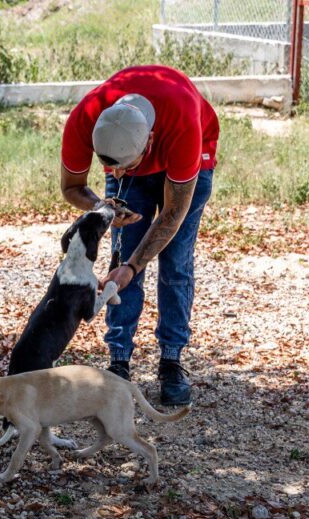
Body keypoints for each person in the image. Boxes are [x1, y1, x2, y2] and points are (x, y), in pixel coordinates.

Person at [59, 64, 219, 406]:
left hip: (188, 162)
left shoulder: (181, 123)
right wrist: (104, 208)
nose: (116, 174)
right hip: (138, 145)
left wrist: (132, 267)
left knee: (175, 261)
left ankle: (171, 360)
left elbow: (173, 214)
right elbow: (71, 187)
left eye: (124, 166)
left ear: (149, 139)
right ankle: (119, 360)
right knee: (123, 253)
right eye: (110, 165)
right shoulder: (84, 117)